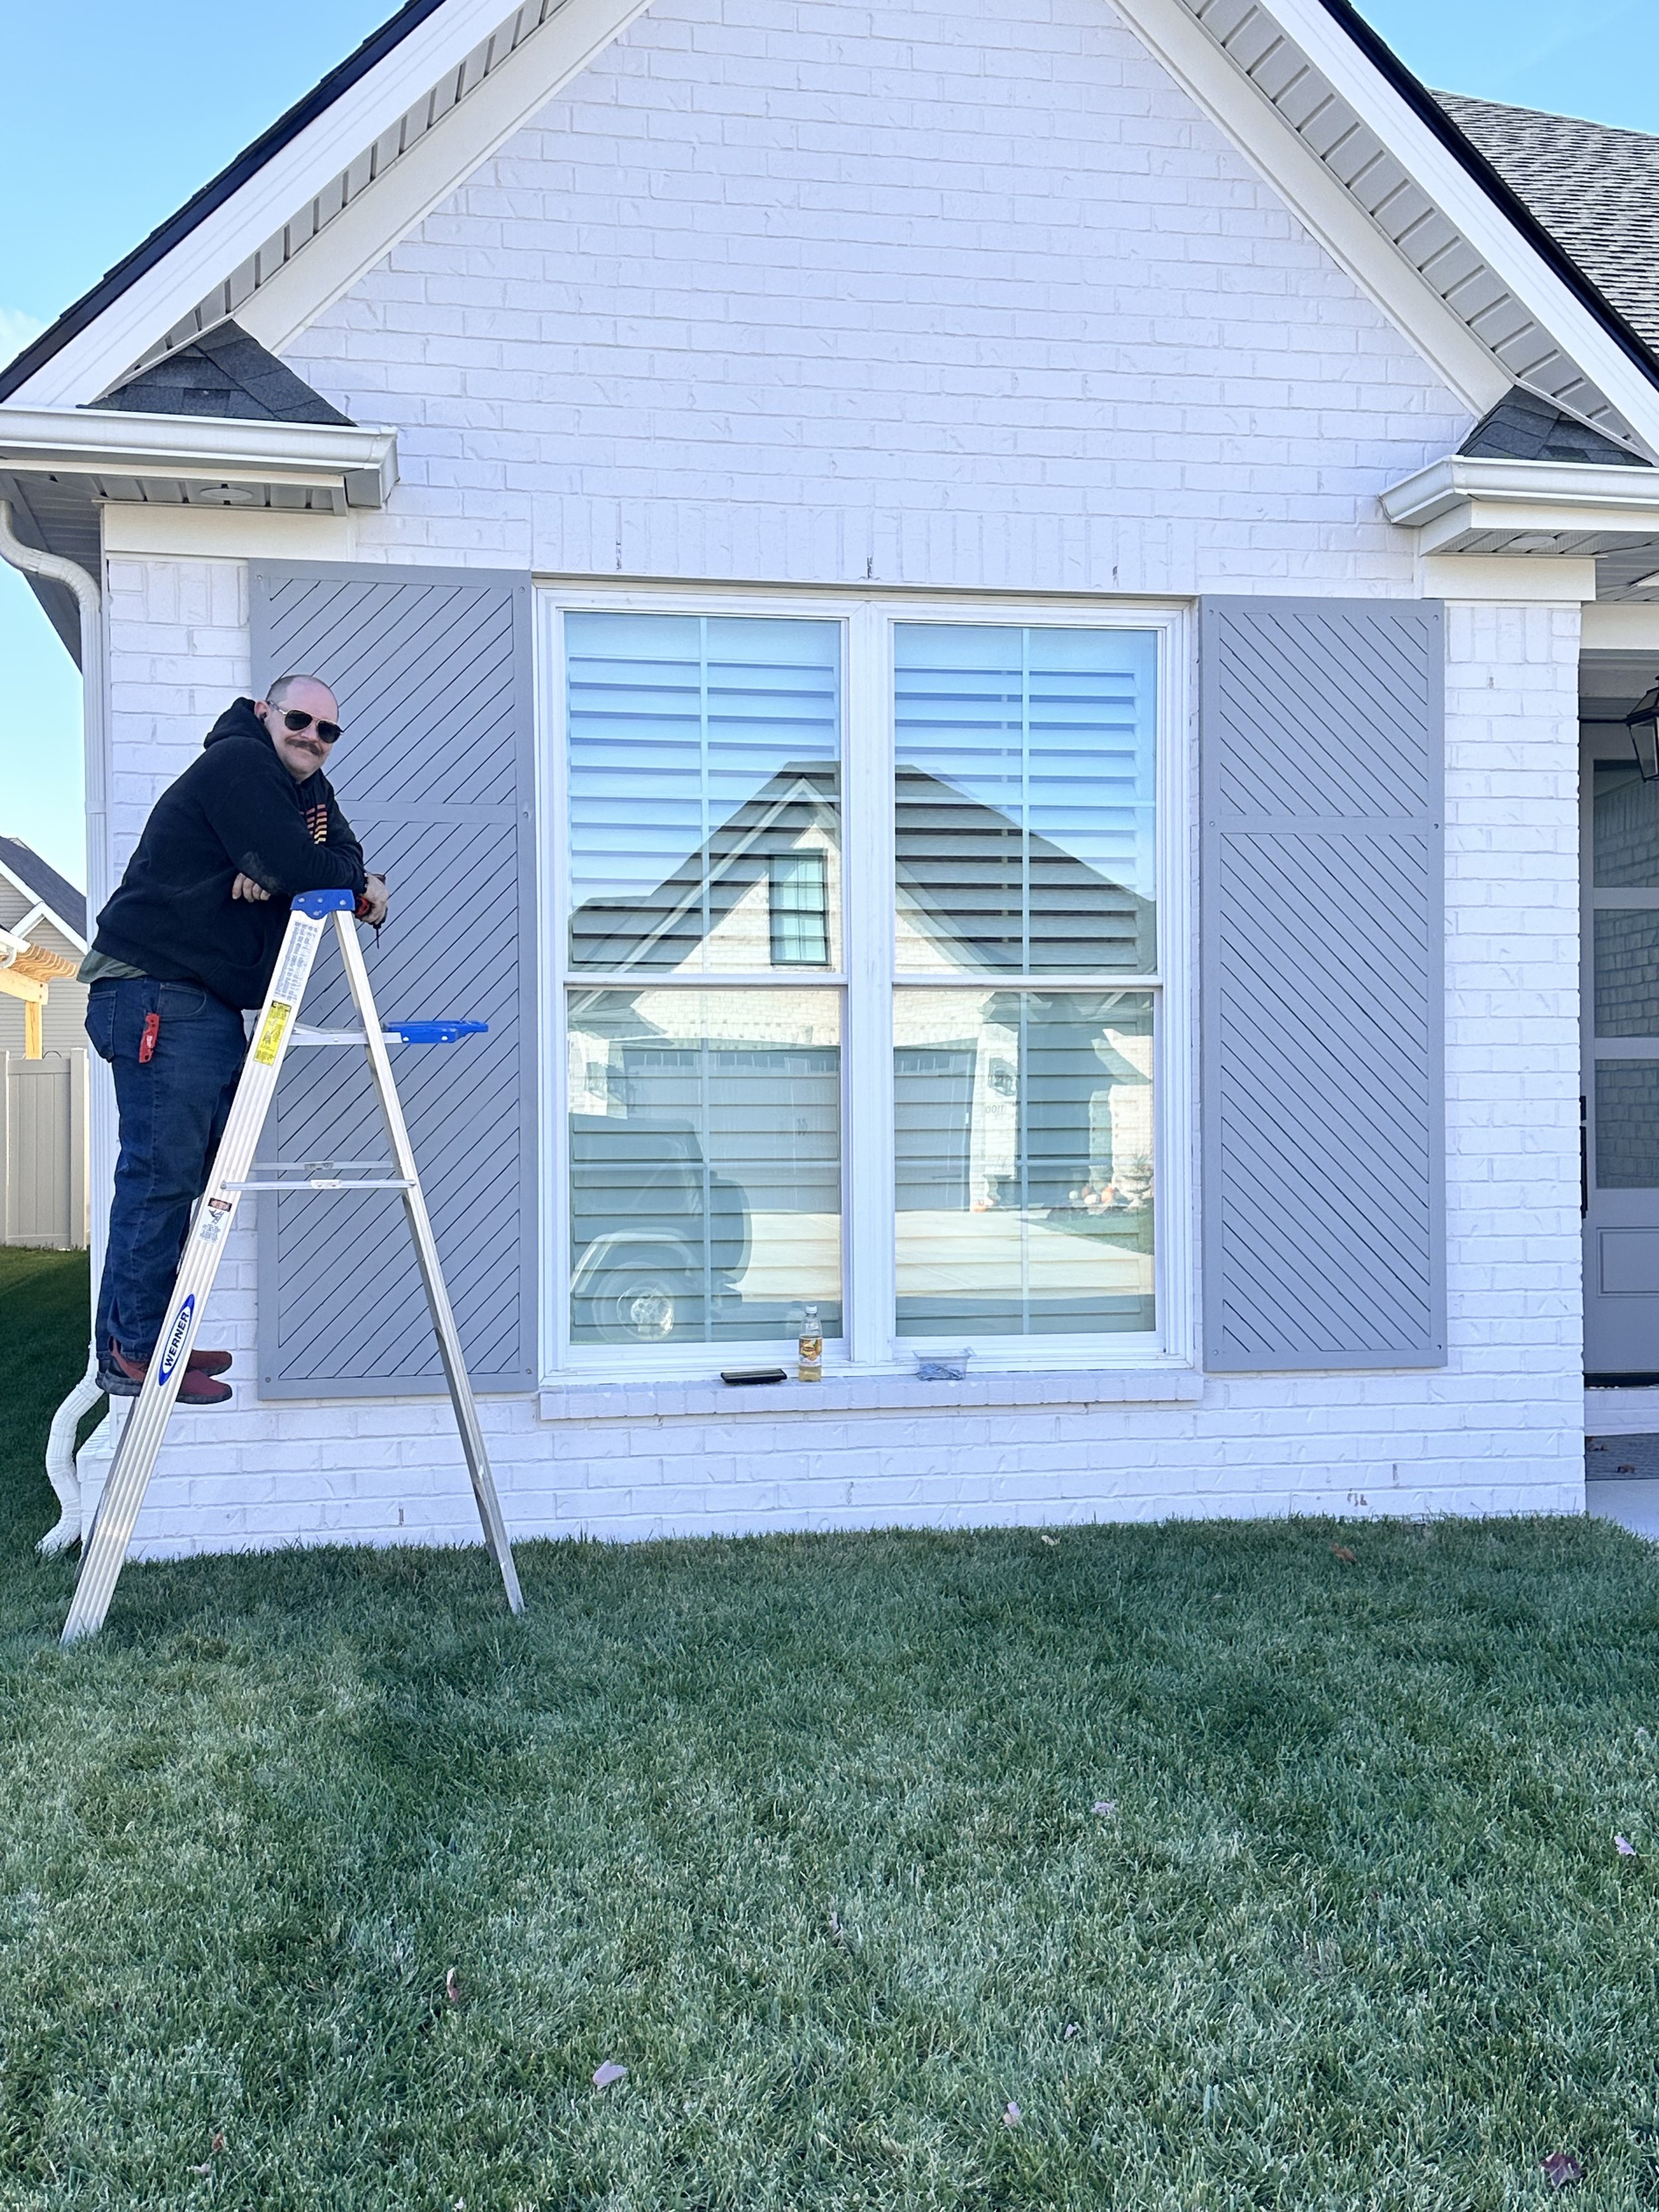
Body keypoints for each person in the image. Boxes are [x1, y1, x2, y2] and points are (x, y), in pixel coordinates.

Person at [80, 676, 388, 1404]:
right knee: (161, 1177)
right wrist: (290, 870)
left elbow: (335, 856)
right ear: (263, 713)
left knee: (188, 1177)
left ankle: (143, 1339)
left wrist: (282, 870)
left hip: (200, 1000)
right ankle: (134, 1348)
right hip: (158, 991)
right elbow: (313, 868)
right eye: (299, 719)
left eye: (327, 731)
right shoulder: (240, 763)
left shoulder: (305, 793)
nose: (313, 737)